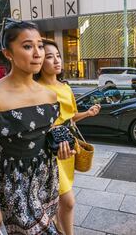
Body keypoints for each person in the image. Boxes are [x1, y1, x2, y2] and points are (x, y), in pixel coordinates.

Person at [0, 19, 74, 235]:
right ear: (8, 53)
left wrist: (61, 147)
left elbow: (48, 135)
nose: (37, 53)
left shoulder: (49, 94)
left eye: (40, 46)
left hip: (47, 176)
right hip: (14, 182)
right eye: (27, 46)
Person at [36, 39, 100, 235]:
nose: (56, 60)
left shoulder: (65, 87)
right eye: (49, 57)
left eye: (58, 56)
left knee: (62, 200)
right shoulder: (35, 88)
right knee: (69, 201)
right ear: (39, 61)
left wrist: (87, 113)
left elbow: (70, 119)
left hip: (66, 148)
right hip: (48, 150)